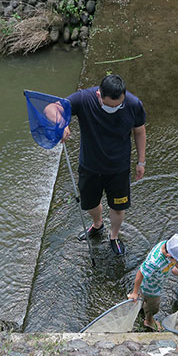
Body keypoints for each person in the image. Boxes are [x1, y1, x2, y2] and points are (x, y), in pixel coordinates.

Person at [45, 74, 147, 256]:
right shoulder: (84, 99)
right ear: (99, 95)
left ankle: (114, 236)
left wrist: (141, 161)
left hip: (119, 168)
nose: (114, 109)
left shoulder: (133, 104)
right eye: (109, 105)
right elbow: (50, 108)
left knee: (118, 206)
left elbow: (139, 131)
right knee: (89, 203)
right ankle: (97, 224)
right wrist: (61, 123)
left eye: (118, 105)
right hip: (90, 166)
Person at [127, 233, 178, 331]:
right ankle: (149, 321)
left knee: (145, 300)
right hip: (151, 287)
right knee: (154, 307)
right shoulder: (154, 262)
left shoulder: (169, 246)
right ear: (169, 256)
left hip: (159, 279)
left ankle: (142, 303)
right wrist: (135, 292)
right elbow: (140, 273)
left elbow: (175, 262)